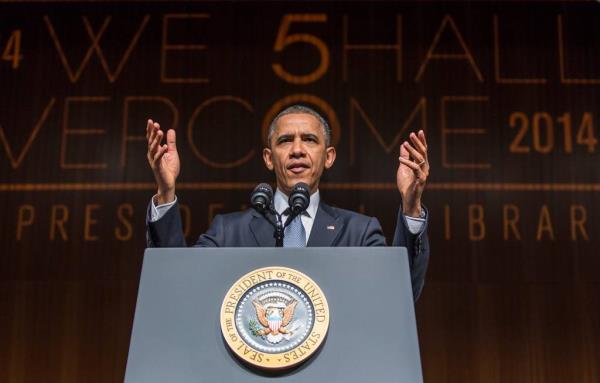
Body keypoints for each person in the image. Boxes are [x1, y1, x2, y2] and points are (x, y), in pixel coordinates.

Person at [145, 105, 430, 300]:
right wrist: (166, 193)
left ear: (328, 157)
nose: (296, 150)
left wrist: (411, 206)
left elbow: (397, 295)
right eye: (284, 141)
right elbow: (178, 285)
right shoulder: (228, 232)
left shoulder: (359, 232)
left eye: (308, 139)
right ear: (269, 158)